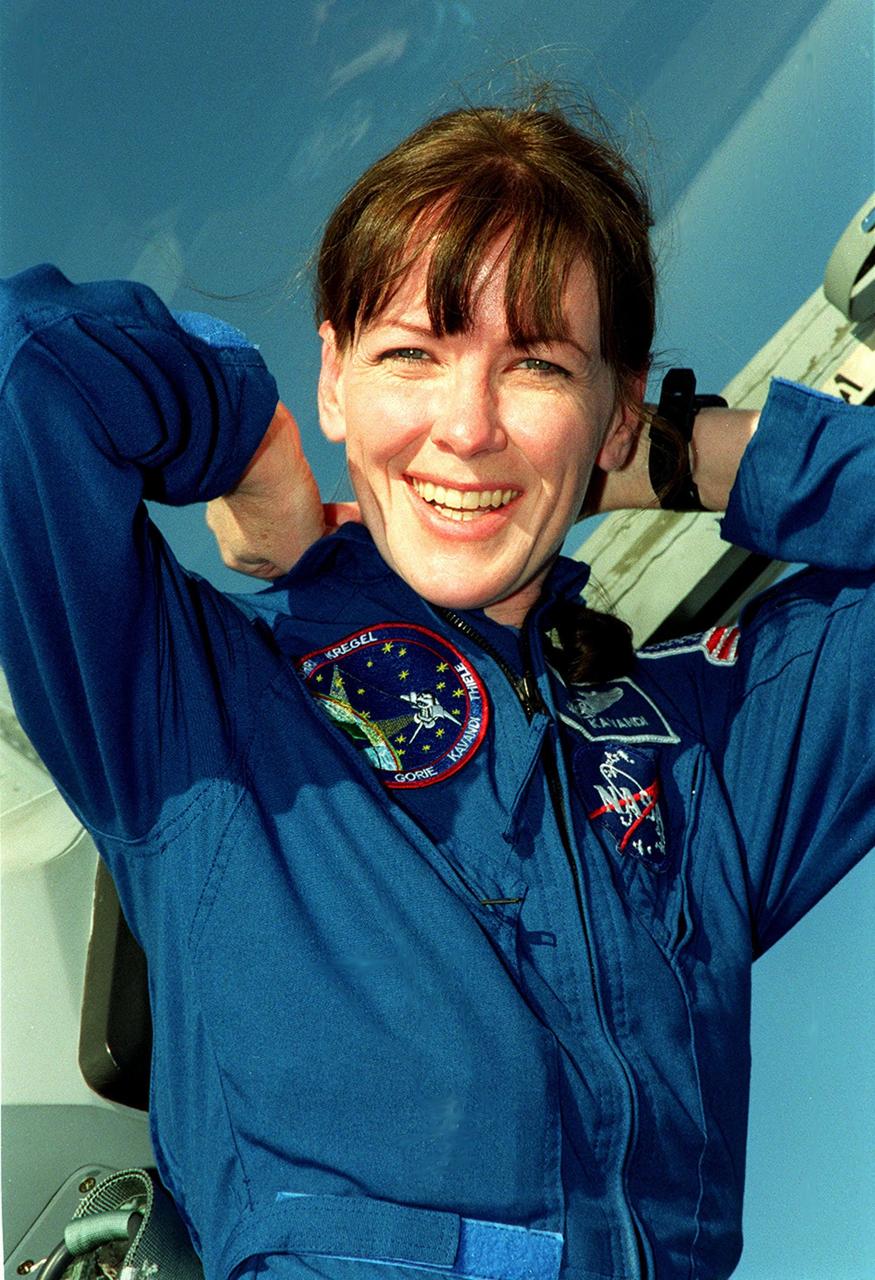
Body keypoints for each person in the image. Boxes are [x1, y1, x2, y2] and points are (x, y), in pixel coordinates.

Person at [0, 103, 872, 1280]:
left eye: (536, 366)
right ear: (336, 383)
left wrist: (677, 453)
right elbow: (24, 366)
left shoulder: (703, 741)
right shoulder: (190, 697)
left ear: (609, 409)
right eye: (411, 353)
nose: (466, 428)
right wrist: (242, 436)